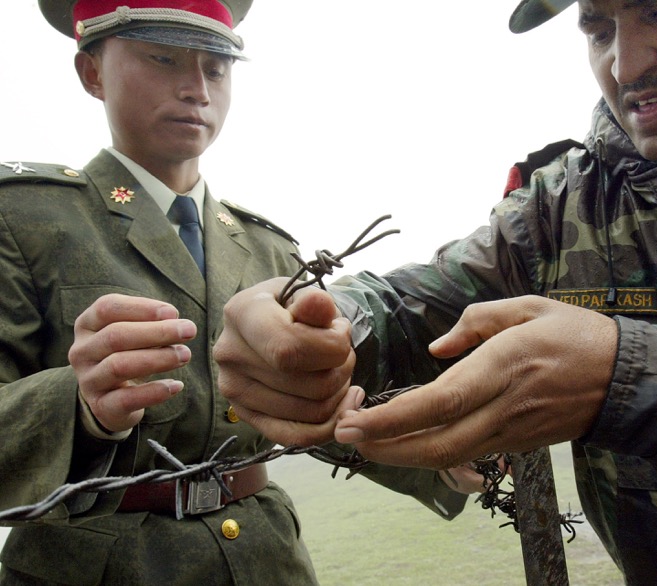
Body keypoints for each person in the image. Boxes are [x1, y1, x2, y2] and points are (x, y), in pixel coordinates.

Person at [214, 0, 657, 582]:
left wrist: (631, 382)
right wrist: (320, 331)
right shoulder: (562, 206)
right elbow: (416, 306)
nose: (625, 66)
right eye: (597, 28)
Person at [0, 2, 473, 584]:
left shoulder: (267, 247)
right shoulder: (23, 219)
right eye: (163, 58)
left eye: (216, 68)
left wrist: (443, 458)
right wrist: (81, 408)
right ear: (92, 72)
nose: (196, 89)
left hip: (265, 558)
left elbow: (309, 409)